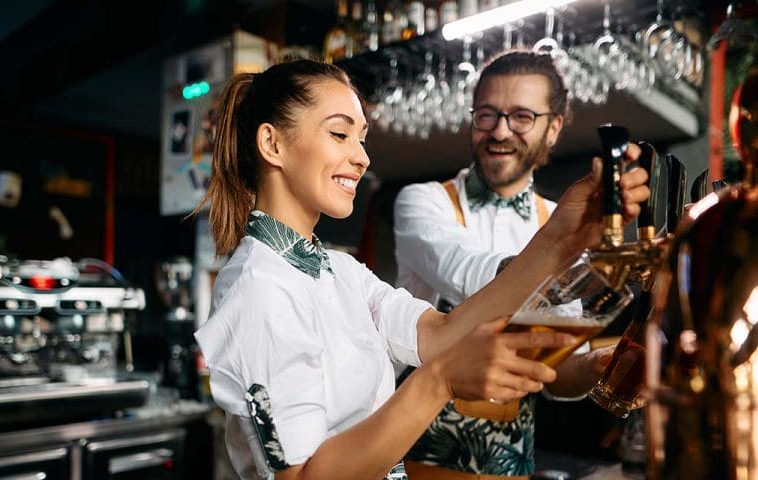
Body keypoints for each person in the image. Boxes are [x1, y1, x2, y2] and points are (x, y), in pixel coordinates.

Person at [193, 59, 647, 480]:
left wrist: (560, 240)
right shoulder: (259, 287)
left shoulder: (338, 270)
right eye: (339, 134)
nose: (362, 157)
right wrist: (441, 380)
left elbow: (440, 333)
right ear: (273, 144)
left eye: (362, 138)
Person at [393, 50, 615, 478]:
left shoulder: (559, 221)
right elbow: (469, 274)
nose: (499, 131)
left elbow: (557, 371)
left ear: (552, 130)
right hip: (414, 444)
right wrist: (562, 258)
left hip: (511, 459)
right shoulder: (424, 202)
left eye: (521, 117)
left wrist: (595, 368)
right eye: (487, 115)